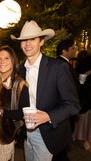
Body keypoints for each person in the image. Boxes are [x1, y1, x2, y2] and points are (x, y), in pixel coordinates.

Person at [10, 20, 80, 161]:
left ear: (41, 42)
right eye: (24, 40)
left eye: (33, 39)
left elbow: (73, 105)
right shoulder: (20, 69)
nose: (27, 44)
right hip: (27, 132)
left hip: (48, 133)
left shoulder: (57, 67)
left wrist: (47, 116)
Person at [0, 46, 29, 161]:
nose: (2, 62)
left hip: (3, 135)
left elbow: (22, 114)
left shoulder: (20, 85)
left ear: (13, 61)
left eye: (7, 58)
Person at [53, 39, 79, 161]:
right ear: (64, 51)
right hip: (62, 112)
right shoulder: (61, 66)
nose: (75, 50)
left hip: (63, 112)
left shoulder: (65, 64)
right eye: (73, 48)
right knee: (60, 145)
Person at [73, 51, 91, 151]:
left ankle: (83, 139)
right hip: (86, 98)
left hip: (83, 98)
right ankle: (86, 140)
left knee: (83, 119)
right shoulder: (84, 66)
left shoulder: (80, 66)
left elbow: (79, 83)